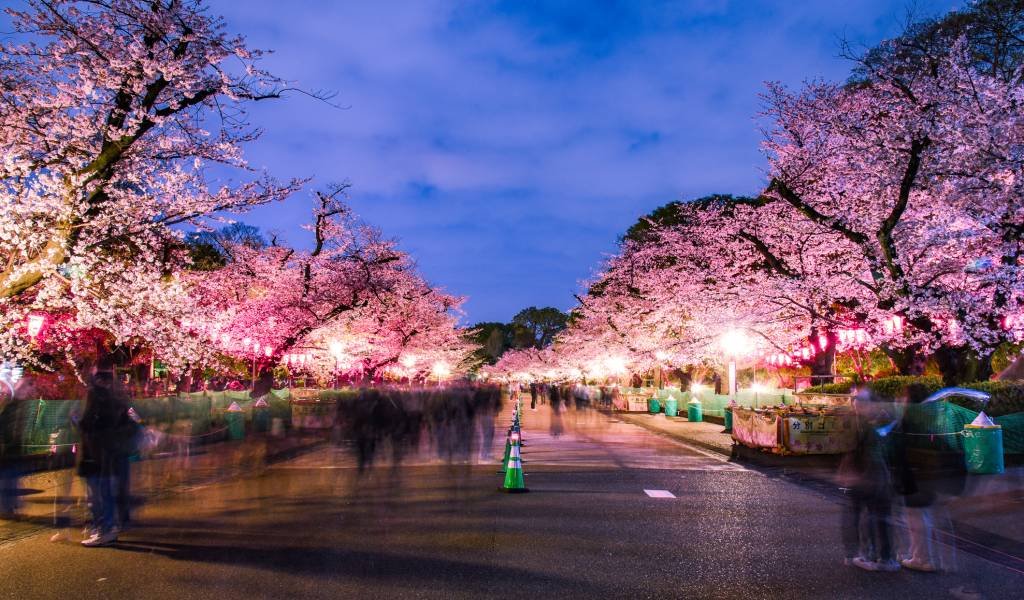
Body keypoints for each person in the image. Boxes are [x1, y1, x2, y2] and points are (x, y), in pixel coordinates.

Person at [837, 390, 900, 572]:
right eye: (856, 401)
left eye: (860, 401)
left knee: (870, 514)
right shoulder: (864, 423)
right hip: (866, 473)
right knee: (867, 515)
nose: (857, 404)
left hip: (871, 472)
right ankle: (866, 555)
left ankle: (876, 555)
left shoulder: (871, 422)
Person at [78, 369, 135, 547]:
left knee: (98, 494)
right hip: (111, 453)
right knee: (105, 492)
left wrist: (78, 422)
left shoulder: (96, 397)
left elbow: (87, 423)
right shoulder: (118, 400)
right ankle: (110, 526)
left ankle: (104, 529)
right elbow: (128, 424)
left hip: (96, 453)